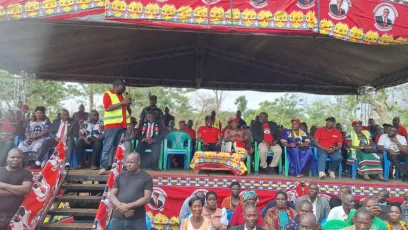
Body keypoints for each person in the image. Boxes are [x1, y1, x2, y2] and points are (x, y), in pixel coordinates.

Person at [109, 152, 153, 230]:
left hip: (137, 221)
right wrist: (123, 208)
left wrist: (128, 206)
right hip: (118, 219)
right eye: (127, 162)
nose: (128, 164)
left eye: (132, 162)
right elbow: (111, 195)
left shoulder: (146, 177)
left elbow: (147, 198)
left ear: (139, 162)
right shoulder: (120, 176)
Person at [99, 79, 130, 175]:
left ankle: (116, 166)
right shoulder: (108, 94)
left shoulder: (121, 96)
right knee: (107, 146)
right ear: (116, 86)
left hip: (122, 125)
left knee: (118, 148)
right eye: (122, 86)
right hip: (112, 125)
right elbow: (107, 108)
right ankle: (103, 167)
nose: (124, 88)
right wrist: (122, 103)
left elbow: (123, 111)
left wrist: (127, 104)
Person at [0, 148, 33, 229]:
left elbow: (26, 189)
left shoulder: (27, 173)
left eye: (18, 157)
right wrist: (18, 191)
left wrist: (2, 185)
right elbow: (22, 190)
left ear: (22, 159)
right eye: (13, 157)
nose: (16, 159)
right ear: (7, 158)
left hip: (16, 216)